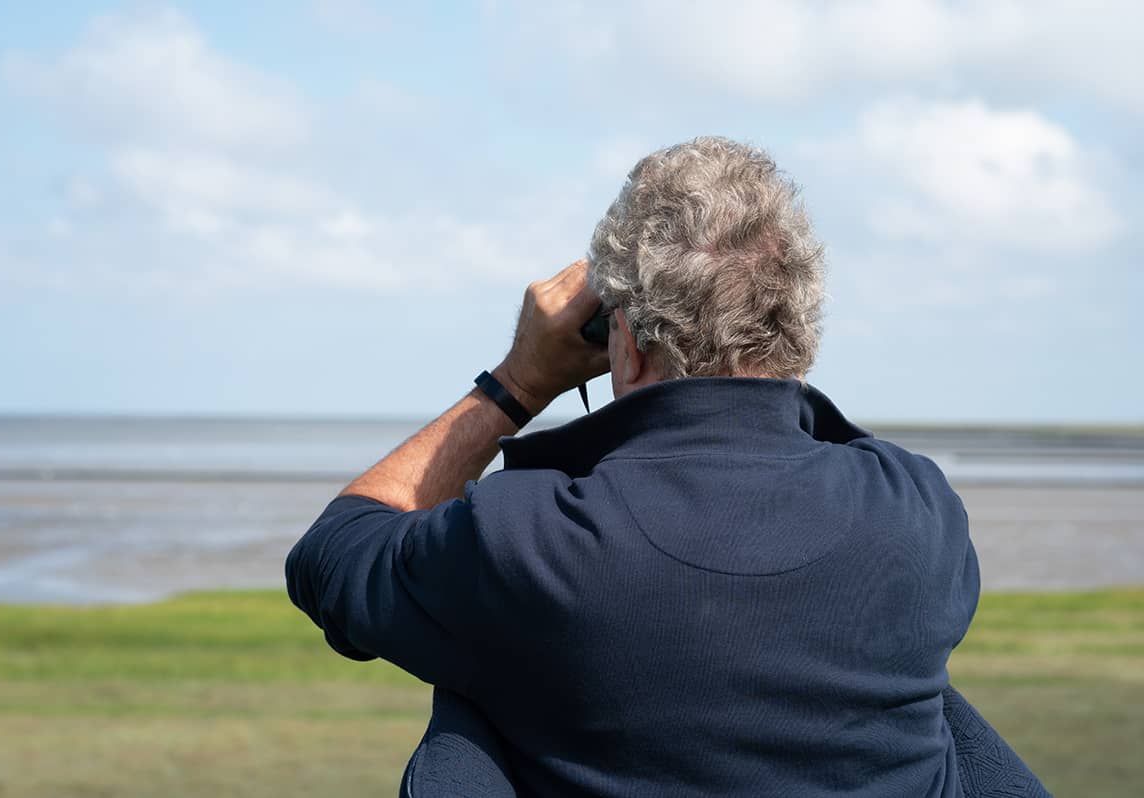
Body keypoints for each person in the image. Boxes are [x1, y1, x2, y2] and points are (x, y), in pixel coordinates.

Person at [286, 137, 1050, 797]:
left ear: (624, 341)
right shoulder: (917, 510)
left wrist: (517, 382)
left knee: (475, 678)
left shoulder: (529, 539)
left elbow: (332, 554)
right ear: (800, 329)